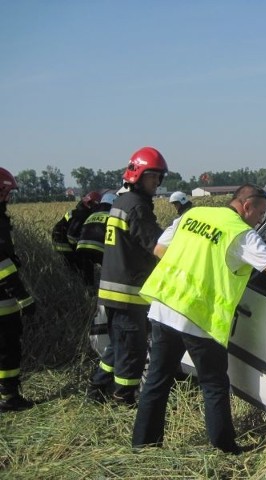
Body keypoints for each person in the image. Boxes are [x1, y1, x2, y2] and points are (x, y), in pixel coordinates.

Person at [132, 184, 266, 453]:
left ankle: (143, 445)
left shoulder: (193, 216)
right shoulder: (240, 234)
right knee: (214, 384)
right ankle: (225, 447)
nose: (260, 219)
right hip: (198, 318)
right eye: (260, 212)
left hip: (165, 307)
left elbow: (160, 249)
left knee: (157, 380)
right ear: (247, 206)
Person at [87, 147, 168, 406]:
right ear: (138, 175)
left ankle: (97, 389)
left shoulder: (121, 202)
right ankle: (123, 399)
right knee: (132, 351)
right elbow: (156, 246)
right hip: (128, 294)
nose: (156, 182)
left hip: (113, 292)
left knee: (118, 347)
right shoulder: (137, 207)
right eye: (152, 177)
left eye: (158, 177)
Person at [0, 168, 36, 412]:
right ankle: (9, 397)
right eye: (7, 192)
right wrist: (23, 297)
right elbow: (2, 265)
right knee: (7, 350)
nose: (9, 198)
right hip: (2, 303)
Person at [52, 190, 101, 284]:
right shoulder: (81, 215)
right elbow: (71, 236)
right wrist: (83, 245)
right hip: (62, 242)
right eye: (96, 206)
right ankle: (84, 287)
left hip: (62, 239)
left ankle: (81, 285)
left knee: (80, 264)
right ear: (90, 204)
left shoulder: (81, 211)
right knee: (82, 262)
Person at [76, 192, 118, 287]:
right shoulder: (111, 215)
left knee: (87, 276)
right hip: (98, 247)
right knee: (109, 271)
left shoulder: (93, 214)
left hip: (81, 246)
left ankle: (88, 292)